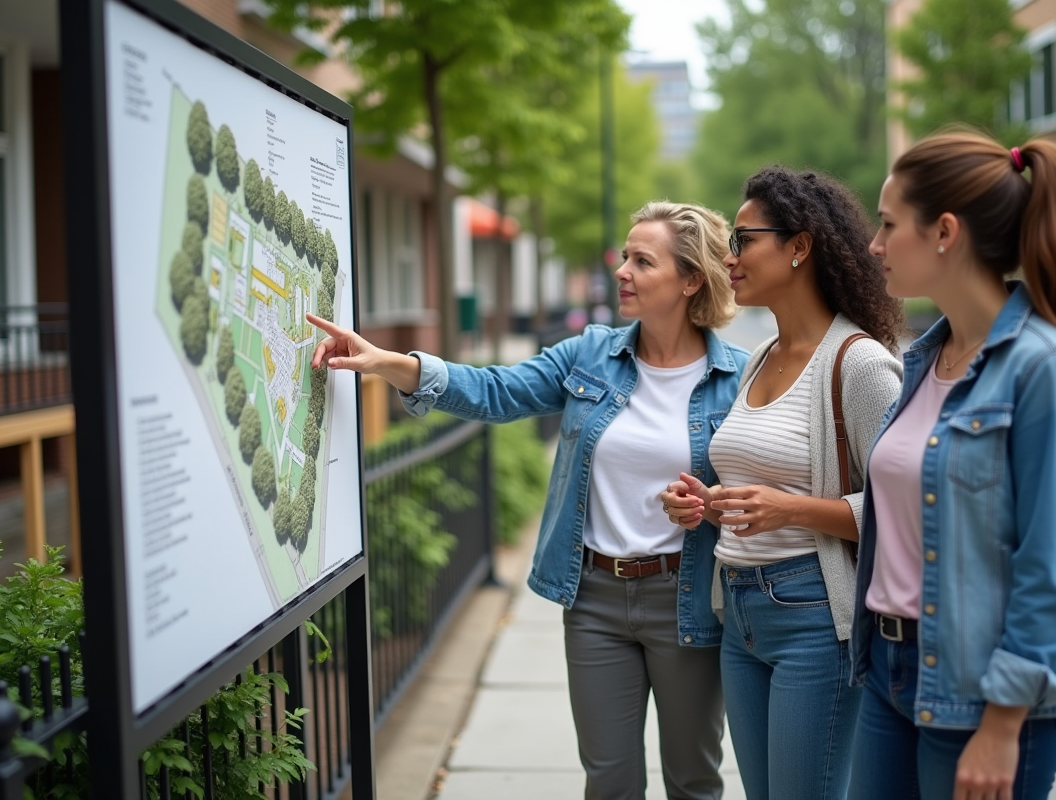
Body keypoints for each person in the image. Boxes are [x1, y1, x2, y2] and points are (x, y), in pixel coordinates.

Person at [307, 201, 750, 800]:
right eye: (624, 256)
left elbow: (761, 493)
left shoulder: (740, 377)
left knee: (693, 779)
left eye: (642, 261)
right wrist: (390, 363)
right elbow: (496, 392)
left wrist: (710, 504)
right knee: (609, 780)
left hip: (690, 599)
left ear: (691, 279)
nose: (621, 271)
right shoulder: (589, 354)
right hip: (593, 598)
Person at [847, 131, 1056, 800]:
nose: (873, 245)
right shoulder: (922, 360)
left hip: (984, 696)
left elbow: (1053, 566)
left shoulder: (1047, 370)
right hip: (890, 671)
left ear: (944, 232)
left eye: (888, 224)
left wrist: (1003, 723)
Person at [662, 167, 906, 800]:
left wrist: (788, 508)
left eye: (744, 239)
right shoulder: (760, 360)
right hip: (739, 609)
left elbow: (904, 511)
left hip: (815, 618)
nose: (728, 256)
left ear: (799, 246)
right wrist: (710, 504)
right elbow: (761, 500)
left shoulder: (860, 363)